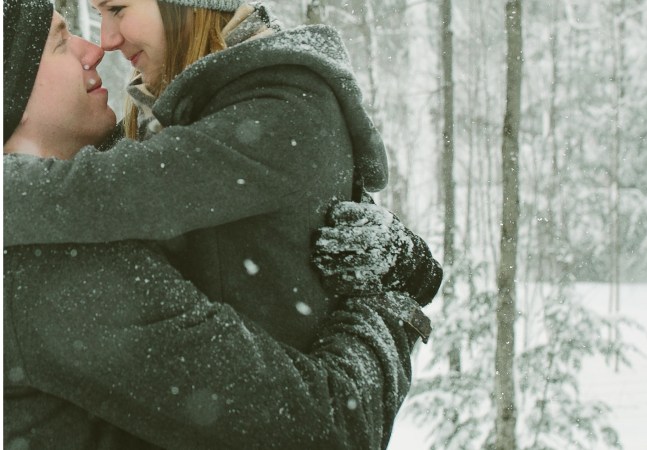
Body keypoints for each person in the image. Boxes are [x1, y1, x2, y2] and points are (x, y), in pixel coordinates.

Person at [3, 1, 436, 448]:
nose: (99, 45)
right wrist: (390, 301)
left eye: (117, 8)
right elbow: (330, 428)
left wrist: (402, 263)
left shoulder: (265, 111)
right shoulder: (49, 271)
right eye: (59, 41)